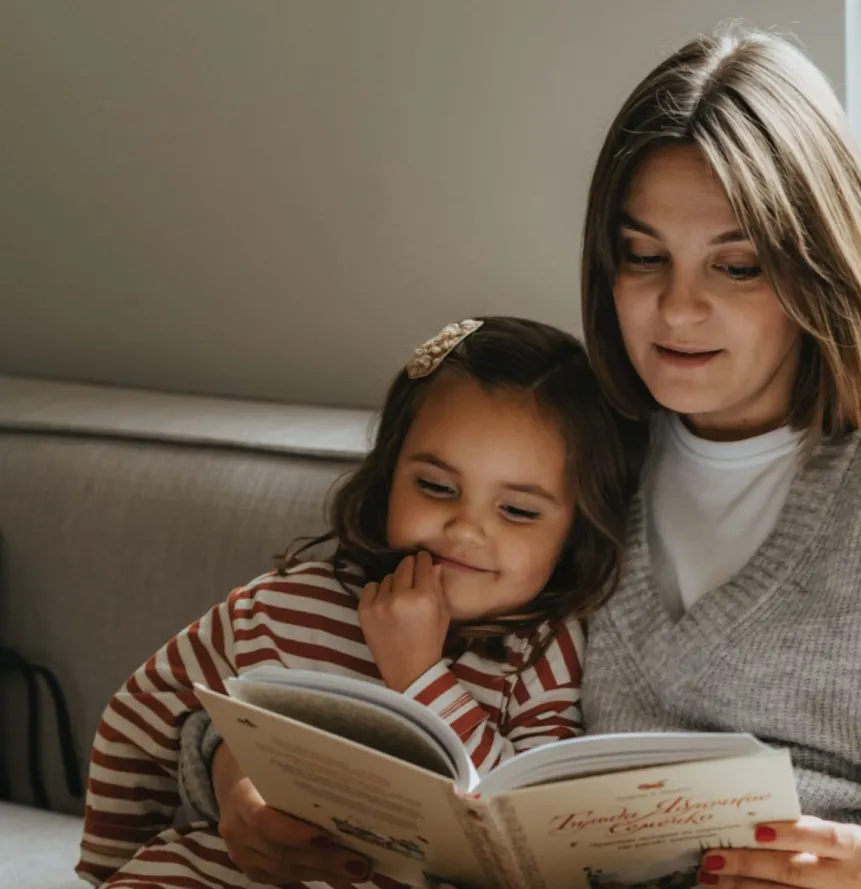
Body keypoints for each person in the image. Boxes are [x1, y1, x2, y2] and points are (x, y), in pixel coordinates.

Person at [178, 26, 861, 889]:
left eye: (736, 265)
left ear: (818, 262)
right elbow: (316, 650)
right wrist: (237, 782)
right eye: (643, 257)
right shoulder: (570, 451)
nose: (676, 310)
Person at [76, 317, 643, 888]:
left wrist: (419, 676)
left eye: (518, 511)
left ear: (575, 530)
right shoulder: (283, 604)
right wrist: (105, 867)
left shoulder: (546, 650)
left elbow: (533, 830)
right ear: (389, 474)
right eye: (436, 487)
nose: (465, 529)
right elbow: (140, 714)